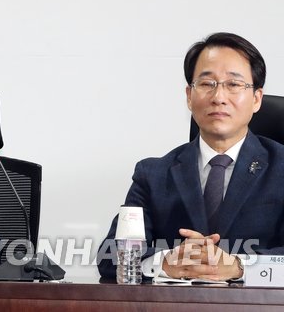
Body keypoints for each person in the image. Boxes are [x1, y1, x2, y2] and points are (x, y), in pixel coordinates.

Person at [98, 32, 284, 281]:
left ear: (257, 99)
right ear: (189, 96)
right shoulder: (153, 175)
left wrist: (240, 266)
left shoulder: (280, 168)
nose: (219, 98)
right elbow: (109, 257)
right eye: (207, 84)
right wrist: (164, 262)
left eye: (233, 84)